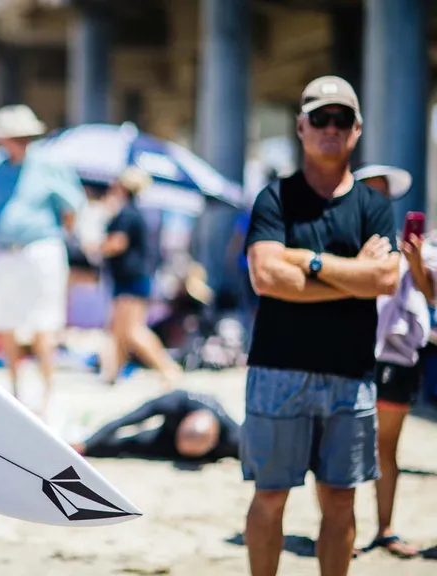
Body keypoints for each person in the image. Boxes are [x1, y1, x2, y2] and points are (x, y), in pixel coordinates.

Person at [242, 76, 399, 576]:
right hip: (277, 369)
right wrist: (354, 278)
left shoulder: (373, 205)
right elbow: (266, 276)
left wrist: (307, 262)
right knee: (270, 498)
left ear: (357, 130)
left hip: (350, 374)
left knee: (340, 502)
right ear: (301, 127)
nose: (331, 128)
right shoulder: (274, 198)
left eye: (342, 119)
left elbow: (388, 278)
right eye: (321, 118)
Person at [0, 104, 85, 419]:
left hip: (41, 249)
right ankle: (17, 389)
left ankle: (49, 391)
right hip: (3, 252)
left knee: (45, 323)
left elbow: (72, 207)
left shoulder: (49, 165)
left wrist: (60, 238)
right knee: (3, 320)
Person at [352, 164, 431, 559]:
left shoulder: (404, 247)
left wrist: (413, 260)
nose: (376, 199)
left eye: (382, 193)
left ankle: (384, 528)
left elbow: (430, 295)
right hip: (349, 354)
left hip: (396, 358)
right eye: (369, 191)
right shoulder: (340, 238)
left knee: (385, 447)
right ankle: (342, 529)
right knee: (344, 443)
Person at [93, 166, 183, 388]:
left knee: (133, 330)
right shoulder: (136, 212)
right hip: (132, 278)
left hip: (130, 279)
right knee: (118, 329)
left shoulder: (126, 214)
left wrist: (96, 247)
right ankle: (112, 373)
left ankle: (167, 368)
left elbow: (117, 243)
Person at [70, 389, 240, 463]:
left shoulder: (233, 437)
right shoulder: (175, 402)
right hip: (166, 439)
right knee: (118, 445)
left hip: (205, 448)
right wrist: (86, 444)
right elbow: (126, 420)